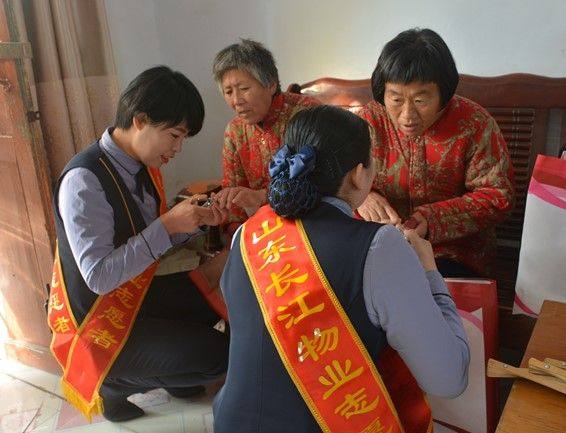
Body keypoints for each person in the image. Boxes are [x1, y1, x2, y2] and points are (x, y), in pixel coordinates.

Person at [213, 106, 470, 433]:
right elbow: (449, 379)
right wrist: (430, 273)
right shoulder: (379, 247)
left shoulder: (248, 234)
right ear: (359, 174)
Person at [47, 66, 229, 422]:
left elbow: (146, 242)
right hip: (97, 322)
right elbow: (99, 276)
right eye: (174, 135)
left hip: (134, 295)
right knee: (218, 356)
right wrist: (168, 224)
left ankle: (172, 375)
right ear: (141, 120)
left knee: (213, 298)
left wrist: (193, 223)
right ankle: (112, 385)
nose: (177, 148)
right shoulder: (85, 180)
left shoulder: (140, 165)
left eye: (183, 138)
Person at [357, 28, 515, 277]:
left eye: (420, 101)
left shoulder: (473, 124)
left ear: (444, 94)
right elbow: (337, 178)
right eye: (396, 100)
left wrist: (433, 219)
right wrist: (364, 197)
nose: (407, 115)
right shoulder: (367, 122)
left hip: (453, 253)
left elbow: (498, 195)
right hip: (379, 246)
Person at [212, 38, 319, 221]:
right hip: (261, 227)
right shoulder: (235, 131)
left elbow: (325, 184)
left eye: (244, 88)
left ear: (271, 84)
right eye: (228, 92)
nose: (236, 101)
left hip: (309, 221)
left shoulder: (308, 115)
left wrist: (262, 196)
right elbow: (233, 193)